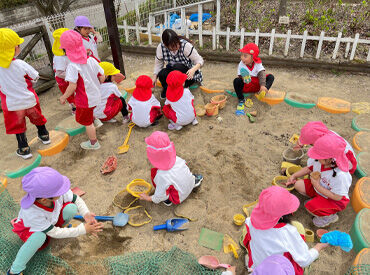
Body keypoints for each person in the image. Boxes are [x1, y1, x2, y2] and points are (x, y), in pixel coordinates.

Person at [7, 167, 103, 275]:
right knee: (40, 237)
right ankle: (15, 270)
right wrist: (82, 229)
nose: (63, 191)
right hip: (31, 231)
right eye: (60, 190)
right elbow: (54, 232)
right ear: (44, 199)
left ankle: (61, 229)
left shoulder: (53, 194)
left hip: (50, 222)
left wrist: (86, 214)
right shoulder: (32, 212)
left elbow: (76, 198)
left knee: (71, 208)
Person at [243, 186, 328, 274]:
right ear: (282, 215)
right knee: (299, 227)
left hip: (258, 265)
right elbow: (304, 260)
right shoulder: (287, 232)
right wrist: (318, 247)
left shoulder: (250, 220)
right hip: (276, 270)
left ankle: (250, 262)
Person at [0, 28, 50, 159]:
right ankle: (44, 135)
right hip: (28, 100)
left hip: (12, 104)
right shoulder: (20, 64)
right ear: (13, 48)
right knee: (37, 117)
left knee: (18, 126)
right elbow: (35, 76)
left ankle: (24, 148)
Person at [286, 133, 352, 227]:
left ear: (329, 159)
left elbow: (337, 197)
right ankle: (317, 199)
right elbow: (309, 168)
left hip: (333, 200)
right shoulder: (319, 161)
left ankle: (330, 217)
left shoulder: (340, 176)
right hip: (320, 188)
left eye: (318, 155)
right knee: (297, 185)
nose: (315, 157)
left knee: (310, 207)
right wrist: (294, 175)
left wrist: (317, 185)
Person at [59, 30, 105, 150]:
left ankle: (94, 143)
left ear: (66, 51)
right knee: (89, 112)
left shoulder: (72, 66)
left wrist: (64, 97)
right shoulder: (91, 60)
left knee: (86, 122)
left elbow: (72, 86)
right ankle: (96, 121)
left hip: (84, 100)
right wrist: (97, 84)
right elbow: (102, 76)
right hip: (95, 95)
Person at [139, 131, 203, 206]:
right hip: (190, 183)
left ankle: (168, 200)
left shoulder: (161, 175)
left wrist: (148, 198)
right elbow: (186, 169)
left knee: (155, 176)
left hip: (179, 197)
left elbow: (159, 197)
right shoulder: (177, 159)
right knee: (181, 175)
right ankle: (194, 181)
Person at [153, 29, 204, 99]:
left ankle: (182, 87)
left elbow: (200, 61)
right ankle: (167, 89)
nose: (177, 47)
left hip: (187, 74)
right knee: (162, 74)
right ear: (166, 45)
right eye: (173, 46)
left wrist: (193, 70)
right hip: (173, 70)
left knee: (177, 67)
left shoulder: (185, 46)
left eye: (177, 44)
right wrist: (154, 77)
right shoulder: (161, 47)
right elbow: (158, 64)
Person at [52, 28, 76, 115]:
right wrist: (71, 76)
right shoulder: (59, 57)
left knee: (75, 93)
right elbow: (59, 73)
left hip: (70, 77)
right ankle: (74, 109)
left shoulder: (66, 53)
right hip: (64, 80)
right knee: (70, 95)